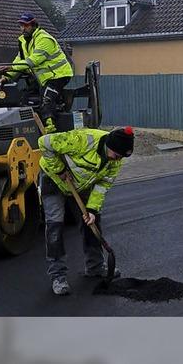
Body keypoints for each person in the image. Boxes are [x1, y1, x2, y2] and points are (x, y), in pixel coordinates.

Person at [38, 126, 135, 295]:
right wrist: (59, 169)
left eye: (121, 158)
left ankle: (95, 266)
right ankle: (58, 276)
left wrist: (91, 209)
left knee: (92, 221)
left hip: (80, 185)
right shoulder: (82, 139)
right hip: (52, 179)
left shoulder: (115, 161)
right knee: (55, 225)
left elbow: (102, 185)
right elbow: (44, 142)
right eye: (116, 155)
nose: (117, 160)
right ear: (108, 146)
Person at [0, 12, 73, 134]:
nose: (23, 29)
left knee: (47, 97)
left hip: (59, 75)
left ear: (34, 25)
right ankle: (31, 126)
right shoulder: (23, 41)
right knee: (25, 98)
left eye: (26, 26)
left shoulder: (44, 39)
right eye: (21, 26)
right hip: (41, 78)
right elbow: (19, 60)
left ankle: (50, 127)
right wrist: (7, 77)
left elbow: (34, 60)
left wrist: (10, 68)